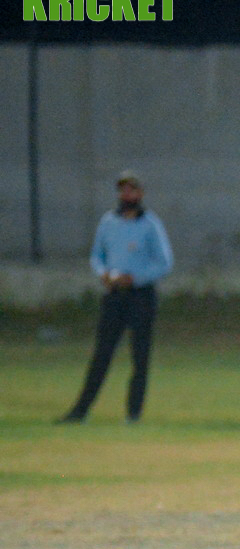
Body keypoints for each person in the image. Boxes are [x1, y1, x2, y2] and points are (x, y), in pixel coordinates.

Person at [58, 171, 174, 424]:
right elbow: (97, 256)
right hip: (114, 296)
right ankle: (80, 411)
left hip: (141, 296)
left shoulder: (150, 224)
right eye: (123, 190)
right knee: (102, 354)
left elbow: (164, 263)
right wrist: (103, 274)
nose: (127, 195)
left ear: (140, 193)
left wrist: (136, 278)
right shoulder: (108, 222)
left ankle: (133, 413)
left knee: (139, 356)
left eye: (131, 190)